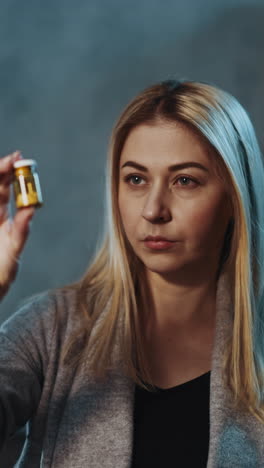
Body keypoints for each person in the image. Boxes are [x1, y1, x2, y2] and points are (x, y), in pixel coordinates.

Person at [0, 79, 264, 468]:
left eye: (185, 181)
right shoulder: (50, 329)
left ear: (234, 198)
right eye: (136, 179)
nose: (154, 210)